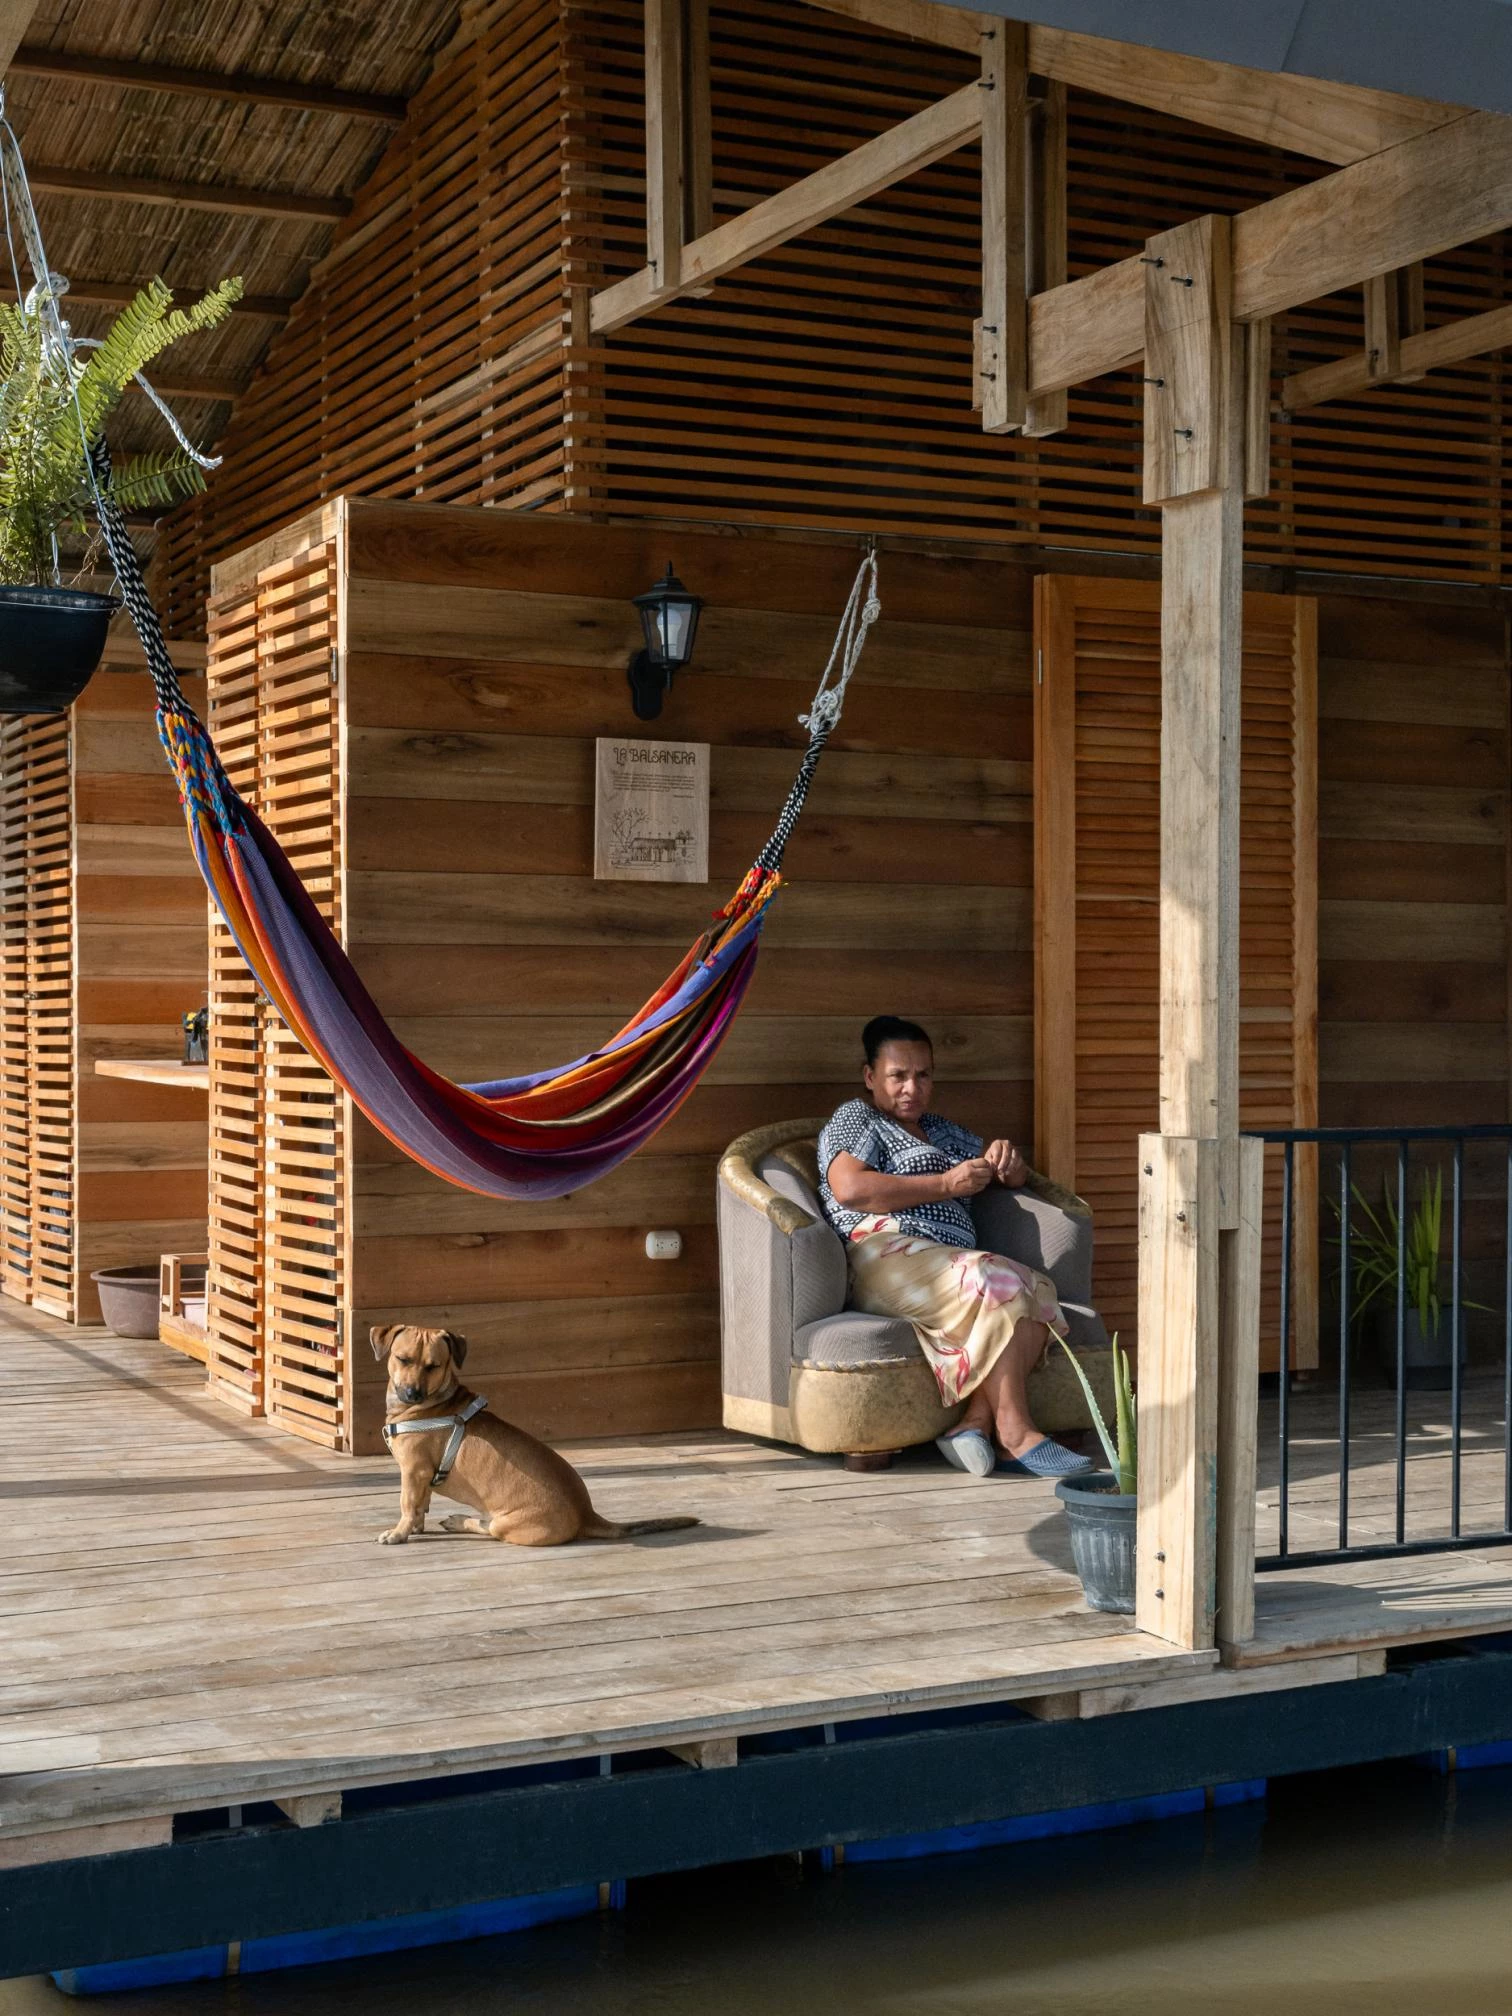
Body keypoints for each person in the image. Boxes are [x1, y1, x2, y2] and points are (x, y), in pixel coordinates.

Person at [817, 1015, 1093, 1480]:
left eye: (923, 1075)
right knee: (997, 1279)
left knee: (1037, 1288)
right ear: (870, 1076)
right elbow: (850, 1188)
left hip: (952, 1265)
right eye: (897, 1076)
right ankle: (1015, 1433)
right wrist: (946, 1184)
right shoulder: (858, 1118)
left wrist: (1009, 1166)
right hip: (884, 1253)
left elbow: (1000, 1174)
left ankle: (974, 1421)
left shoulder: (945, 1132)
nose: (912, 1088)